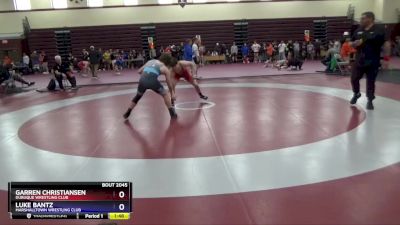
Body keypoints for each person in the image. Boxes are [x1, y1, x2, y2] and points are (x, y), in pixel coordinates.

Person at [123, 54, 177, 120]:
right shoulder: (165, 68)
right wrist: (172, 93)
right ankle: (172, 113)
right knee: (165, 94)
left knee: (137, 96)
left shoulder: (151, 61)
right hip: (152, 81)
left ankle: (128, 111)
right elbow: (169, 83)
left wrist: (148, 73)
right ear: (167, 62)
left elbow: (139, 71)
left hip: (142, 80)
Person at [350, 11, 386, 110]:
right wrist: (353, 44)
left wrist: (386, 59)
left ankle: (370, 100)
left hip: (373, 60)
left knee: (371, 81)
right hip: (360, 60)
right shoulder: (358, 30)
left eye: (363, 18)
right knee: (354, 78)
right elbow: (352, 41)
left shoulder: (379, 29)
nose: (360, 20)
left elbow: (385, 43)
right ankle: (356, 93)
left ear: (370, 19)